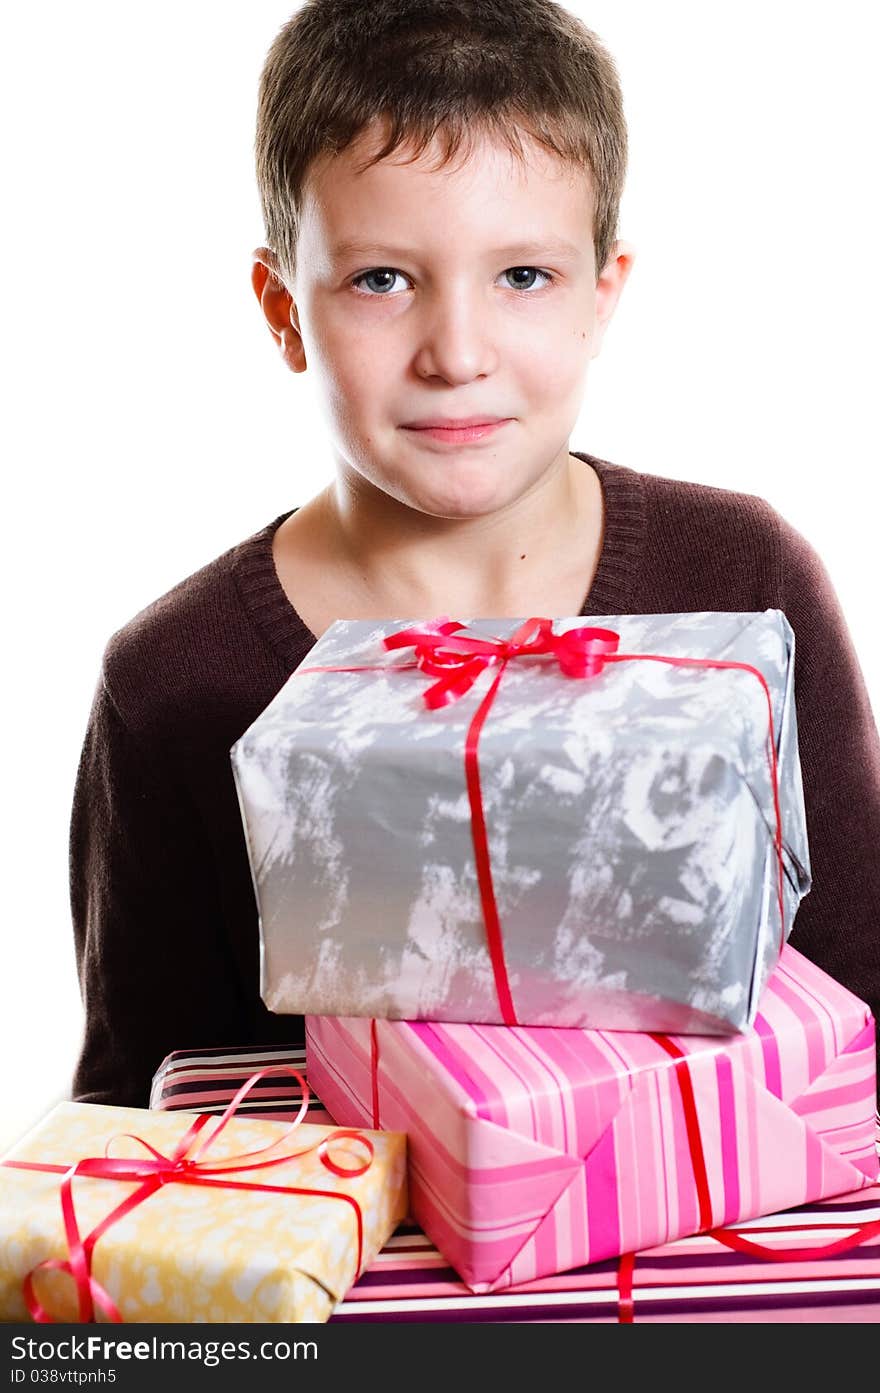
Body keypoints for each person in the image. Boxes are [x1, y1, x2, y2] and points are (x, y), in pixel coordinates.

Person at [69, 0, 880, 1108]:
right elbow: (144, 1109)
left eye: (523, 278)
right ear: (280, 307)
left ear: (603, 296)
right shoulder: (175, 678)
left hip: (721, 1266)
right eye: (381, 280)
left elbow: (858, 992)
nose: (457, 354)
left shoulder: (745, 580)